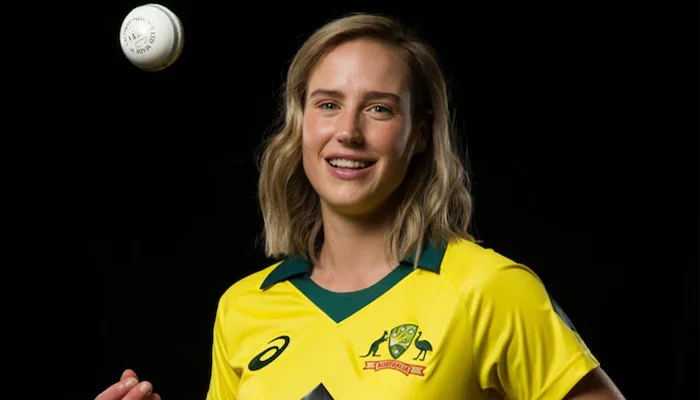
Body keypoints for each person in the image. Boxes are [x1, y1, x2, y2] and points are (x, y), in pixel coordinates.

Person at [96, 12, 625, 400]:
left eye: (379, 109)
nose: (348, 132)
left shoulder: (488, 288)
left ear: (419, 135)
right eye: (328, 104)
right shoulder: (244, 307)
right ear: (302, 125)